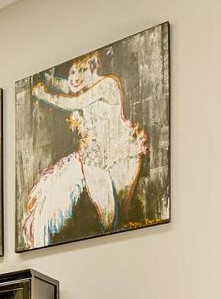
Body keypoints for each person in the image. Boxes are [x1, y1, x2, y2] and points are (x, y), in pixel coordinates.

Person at [20, 52, 148, 248]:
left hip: (122, 152)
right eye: (72, 72)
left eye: (82, 70)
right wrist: (48, 79)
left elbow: (75, 102)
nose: (75, 77)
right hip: (94, 157)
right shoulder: (79, 86)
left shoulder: (107, 85)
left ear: (93, 68)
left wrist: (44, 95)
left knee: (123, 212)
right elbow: (65, 85)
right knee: (107, 217)